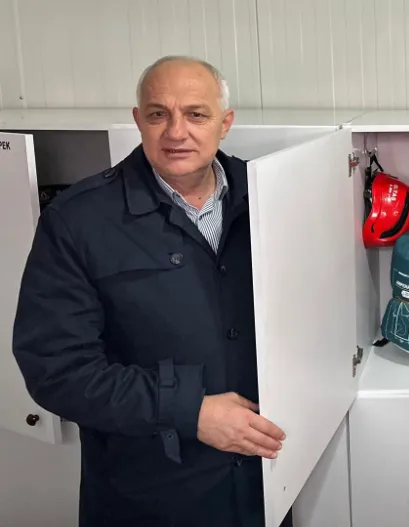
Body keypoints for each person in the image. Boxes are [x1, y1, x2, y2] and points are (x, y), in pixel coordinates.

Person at [12, 56, 291, 526]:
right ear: (138, 120)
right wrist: (188, 411)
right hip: (148, 493)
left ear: (225, 124)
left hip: (267, 479)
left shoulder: (273, 196)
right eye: (159, 114)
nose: (176, 132)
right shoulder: (78, 221)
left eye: (196, 114)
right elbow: (55, 369)